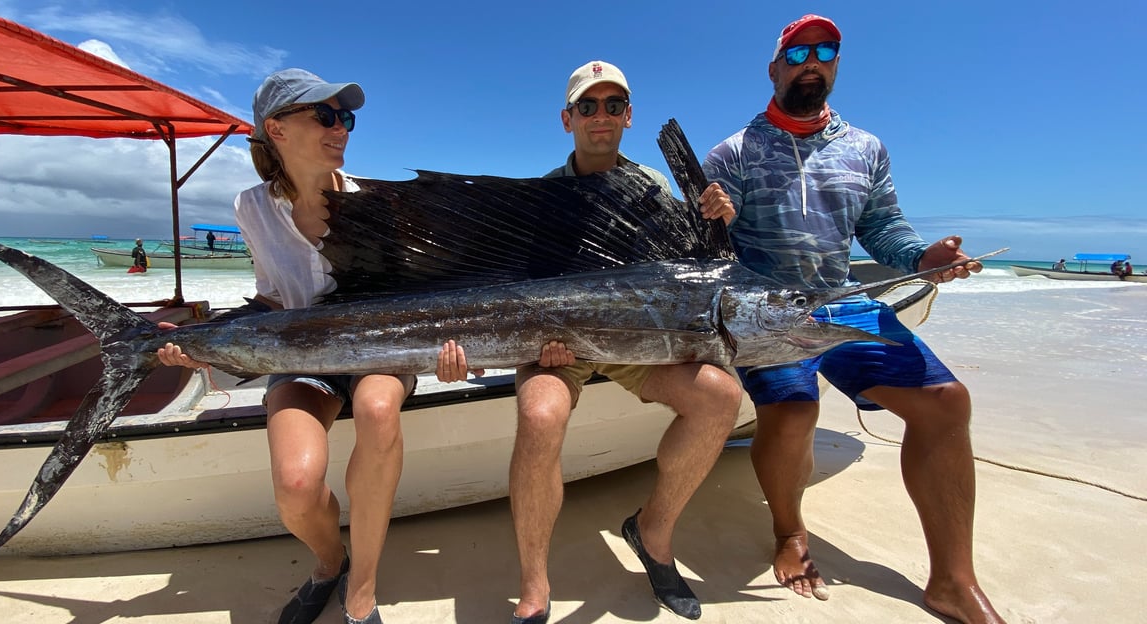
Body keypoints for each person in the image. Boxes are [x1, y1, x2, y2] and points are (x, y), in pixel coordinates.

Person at [701, 15, 1005, 624]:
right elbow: (706, 255)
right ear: (774, 67)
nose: (811, 60)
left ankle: (953, 580)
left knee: (947, 402)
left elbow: (883, 230)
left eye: (825, 51)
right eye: (798, 51)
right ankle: (789, 533)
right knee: (793, 413)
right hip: (766, 309)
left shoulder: (866, 147)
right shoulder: (732, 152)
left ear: (836, 66)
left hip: (842, 301)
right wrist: (716, 219)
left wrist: (925, 258)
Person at [438, 60, 742, 623]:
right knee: (540, 413)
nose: (599, 116)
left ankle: (652, 535)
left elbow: (704, 278)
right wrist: (528, 349)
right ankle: (534, 584)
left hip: (634, 346)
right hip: (558, 346)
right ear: (567, 118)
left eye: (612, 105)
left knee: (720, 396)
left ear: (629, 116)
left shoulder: (652, 188)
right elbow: (513, 289)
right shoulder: (542, 198)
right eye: (587, 106)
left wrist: (721, 221)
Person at [158, 68, 410, 624]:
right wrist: (206, 343)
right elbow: (272, 298)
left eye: (345, 117)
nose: (341, 128)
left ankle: (362, 589)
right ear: (275, 129)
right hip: (301, 355)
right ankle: (329, 562)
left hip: (381, 353)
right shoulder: (251, 207)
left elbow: (410, 299)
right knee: (296, 486)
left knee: (375, 406)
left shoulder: (373, 200)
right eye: (324, 115)